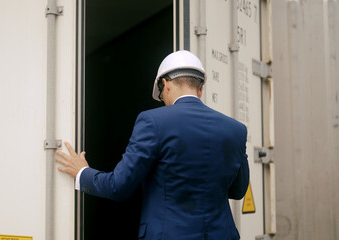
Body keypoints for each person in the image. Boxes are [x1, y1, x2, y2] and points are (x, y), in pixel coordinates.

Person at [56, 50, 249, 239]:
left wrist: (83, 172)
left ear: (165, 85)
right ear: (200, 89)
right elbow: (238, 191)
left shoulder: (152, 121)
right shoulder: (236, 130)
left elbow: (119, 186)